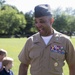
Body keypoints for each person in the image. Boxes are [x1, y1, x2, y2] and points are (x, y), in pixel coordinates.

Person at [18, 4, 75, 75]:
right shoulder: (31, 41)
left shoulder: (65, 41)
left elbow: (73, 65)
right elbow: (24, 65)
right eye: (36, 22)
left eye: (42, 21)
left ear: (51, 21)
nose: (38, 25)